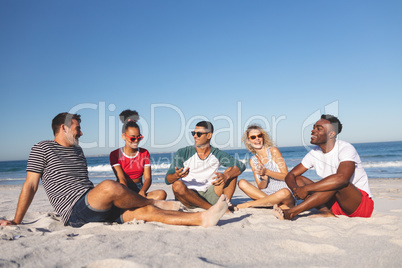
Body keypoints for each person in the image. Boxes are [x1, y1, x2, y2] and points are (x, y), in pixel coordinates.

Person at [0, 113, 229, 228]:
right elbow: (30, 185)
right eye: (78, 128)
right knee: (110, 185)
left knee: (144, 214)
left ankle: (200, 219)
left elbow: (84, 184)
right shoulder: (42, 148)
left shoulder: (78, 152)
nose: (81, 133)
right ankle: (155, 202)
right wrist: (16, 221)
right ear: (64, 127)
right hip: (75, 212)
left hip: (97, 206)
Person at [274, 114, 374, 220]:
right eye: (313, 127)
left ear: (331, 134)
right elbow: (291, 175)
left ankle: (292, 212)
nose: (313, 131)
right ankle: (327, 212)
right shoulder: (315, 152)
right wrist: (297, 190)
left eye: (319, 129)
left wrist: (306, 189)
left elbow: (342, 179)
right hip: (335, 204)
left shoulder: (346, 148)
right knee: (298, 179)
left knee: (337, 182)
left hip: (358, 205)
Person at [165, 121, 246, 209]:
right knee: (177, 185)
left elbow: (241, 165)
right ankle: (212, 209)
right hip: (188, 197)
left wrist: (226, 176)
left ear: (209, 135)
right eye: (194, 133)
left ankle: (224, 205)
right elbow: (167, 180)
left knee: (232, 171)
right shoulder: (183, 152)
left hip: (210, 194)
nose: (195, 136)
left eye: (199, 134)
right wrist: (176, 175)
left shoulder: (217, 154)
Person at [110, 109, 166, 200]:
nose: (136, 141)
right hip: (124, 189)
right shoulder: (115, 154)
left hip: (140, 188)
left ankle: (140, 204)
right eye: (132, 138)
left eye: (139, 137)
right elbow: (121, 179)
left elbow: (148, 178)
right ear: (124, 136)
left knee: (161, 194)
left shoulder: (144, 153)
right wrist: (128, 195)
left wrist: (142, 191)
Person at [236, 124, 295, 209]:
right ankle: (276, 205)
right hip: (266, 194)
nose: (257, 139)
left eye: (259, 136)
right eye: (253, 137)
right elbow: (260, 187)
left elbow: (286, 176)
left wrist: (268, 172)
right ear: (248, 141)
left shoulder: (273, 151)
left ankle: (249, 204)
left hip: (283, 193)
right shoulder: (253, 160)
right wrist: (264, 180)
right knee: (241, 183)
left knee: (284, 193)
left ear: (263, 137)